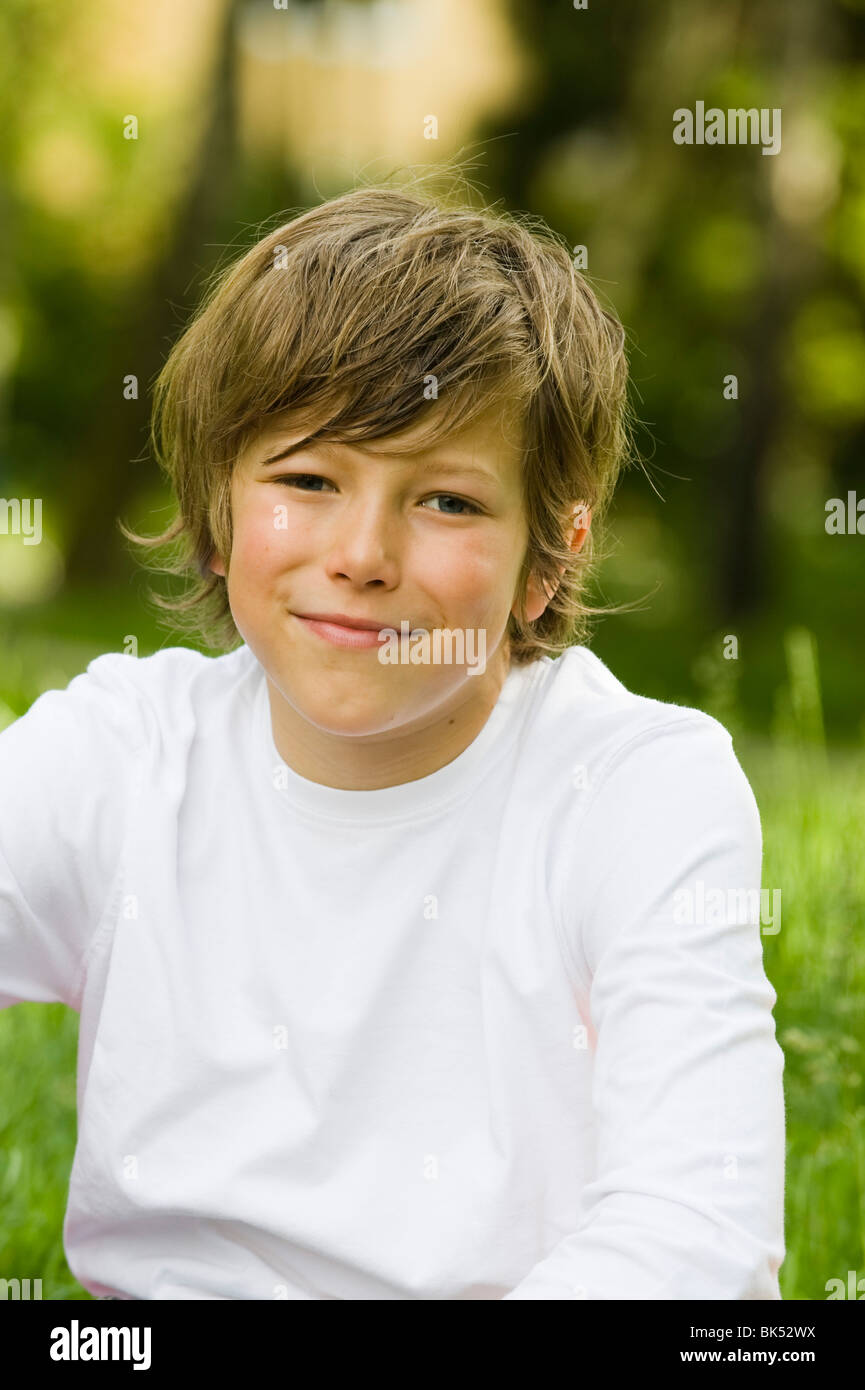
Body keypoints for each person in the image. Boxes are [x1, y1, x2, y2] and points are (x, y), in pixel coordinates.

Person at [0, 175, 785, 1300]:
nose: (361, 553)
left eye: (447, 502)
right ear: (219, 515)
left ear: (550, 558)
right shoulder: (126, 754)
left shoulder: (636, 789)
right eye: (307, 479)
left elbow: (697, 1232)